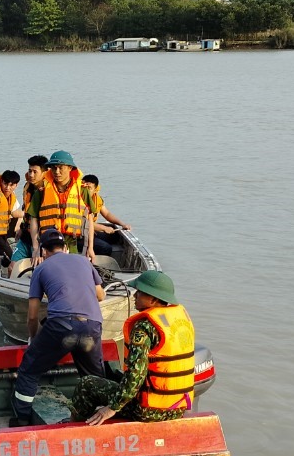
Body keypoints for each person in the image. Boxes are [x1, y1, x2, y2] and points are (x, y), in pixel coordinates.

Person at [69, 270, 195, 426]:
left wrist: (112, 407)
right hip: (177, 407)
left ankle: (73, 428)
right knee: (117, 379)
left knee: (87, 384)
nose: (134, 296)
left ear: (153, 299)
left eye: (139, 293)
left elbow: (136, 375)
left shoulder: (144, 327)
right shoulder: (180, 320)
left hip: (148, 410)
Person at [10, 227, 106, 427]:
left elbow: (33, 315)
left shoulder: (41, 269)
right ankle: (100, 419)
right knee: (95, 378)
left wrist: (33, 338)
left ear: (43, 251)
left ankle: (21, 420)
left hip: (61, 328)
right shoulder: (84, 261)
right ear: (65, 247)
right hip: (91, 327)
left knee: (29, 370)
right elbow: (100, 295)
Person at [27, 150, 99, 264]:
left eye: (61, 168)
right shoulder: (42, 191)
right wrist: (36, 248)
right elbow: (34, 219)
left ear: (70, 168)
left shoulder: (82, 190)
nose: (57, 172)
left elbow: (89, 219)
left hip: (71, 243)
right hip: (48, 244)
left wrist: (90, 247)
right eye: (54, 168)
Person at [80, 174, 133, 257]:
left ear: (95, 189)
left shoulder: (97, 199)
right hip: (79, 235)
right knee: (106, 248)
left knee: (115, 236)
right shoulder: (76, 200)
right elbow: (83, 223)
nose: (86, 191)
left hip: (92, 231)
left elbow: (107, 214)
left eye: (89, 188)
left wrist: (122, 224)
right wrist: (104, 228)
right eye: (84, 187)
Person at [11, 155, 49, 263]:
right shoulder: (28, 187)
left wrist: (36, 246)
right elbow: (26, 210)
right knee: (12, 267)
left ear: (44, 172)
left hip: (41, 239)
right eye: (29, 171)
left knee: (38, 267)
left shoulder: (48, 191)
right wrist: (22, 229)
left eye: (35, 172)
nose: (31, 175)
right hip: (26, 236)